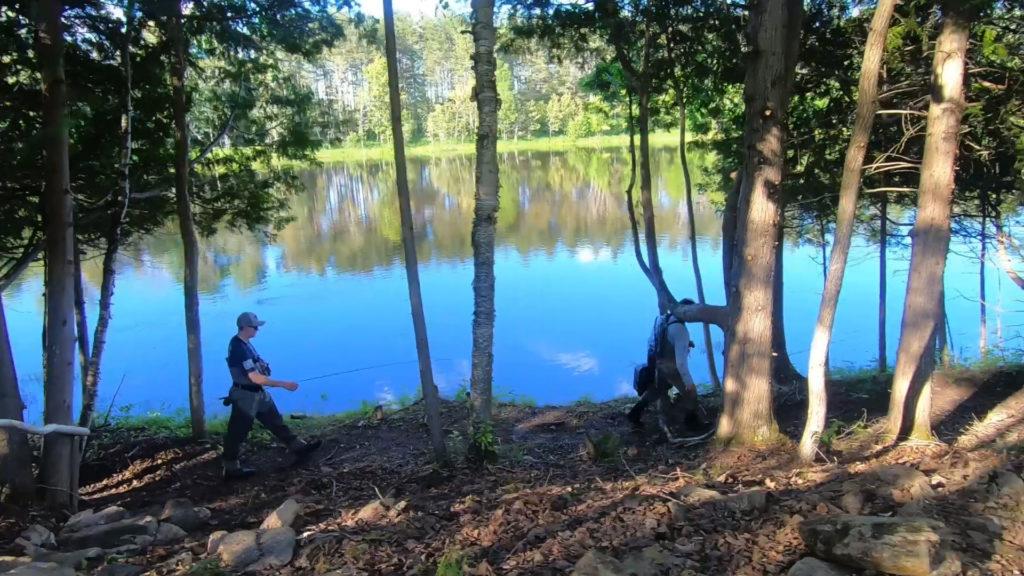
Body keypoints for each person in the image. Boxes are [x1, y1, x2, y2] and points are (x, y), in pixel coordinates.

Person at [222, 312, 321, 479]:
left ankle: (298, 447)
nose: (257, 330)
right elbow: (254, 377)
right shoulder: (238, 348)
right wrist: (283, 384)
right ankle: (231, 469)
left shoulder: (247, 343)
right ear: (245, 327)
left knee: (275, 421)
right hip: (245, 397)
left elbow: (257, 369)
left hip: (258, 394)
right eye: (255, 327)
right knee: (237, 432)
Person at [628, 306, 708, 433]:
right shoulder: (681, 330)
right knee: (691, 394)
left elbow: (660, 341)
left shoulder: (664, 320)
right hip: (670, 368)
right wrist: (689, 383)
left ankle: (634, 414)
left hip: (658, 364)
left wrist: (684, 343)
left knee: (656, 390)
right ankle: (691, 423)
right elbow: (681, 363)